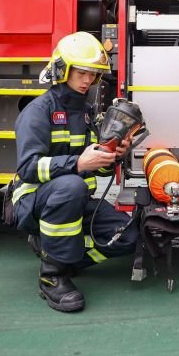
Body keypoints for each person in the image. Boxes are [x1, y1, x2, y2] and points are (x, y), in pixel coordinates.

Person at [12, 31, 138, 312]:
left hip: (75, 201)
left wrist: (111, 156)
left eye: (93, 74)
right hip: (34, 202)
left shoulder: (84, 113)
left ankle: (66, 259)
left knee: (128, 235)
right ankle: (52, 275)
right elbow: (28, 168)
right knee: (71, 185)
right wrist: (78, 164)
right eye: (81, 72)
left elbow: (100, 172)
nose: (87, 80)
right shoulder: (38, 111)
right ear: (61, 70)